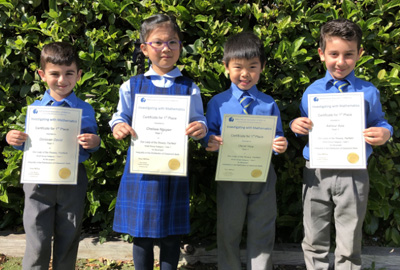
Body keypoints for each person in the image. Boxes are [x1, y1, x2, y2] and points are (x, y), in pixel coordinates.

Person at [290, 19, 393, 269]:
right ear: (321, 54)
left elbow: (380, 121)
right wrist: (296, 125)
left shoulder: (369, 92)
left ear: (359, 54)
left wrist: (385, 133)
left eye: (348, 54)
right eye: (333, 54)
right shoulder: (311, 91)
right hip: (317, 173)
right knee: (314, 236)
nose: (340, 61)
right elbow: (305, 122)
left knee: (349, 239)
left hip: (354, 173)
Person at [109, 14, 207, 270]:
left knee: (171, 235)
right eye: (158, 42)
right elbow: (120, 116)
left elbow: (199, 119)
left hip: (174, 169)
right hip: (141, 170)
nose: (166, 48)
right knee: (141, 234)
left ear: (180, 47)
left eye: (173, 42)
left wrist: (200, 128)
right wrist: (118, 126)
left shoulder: (189, 87)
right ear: (144, 48)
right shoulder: (132, 85)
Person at [6, 42, 100, 270]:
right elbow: (30, 146)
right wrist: (14, 140)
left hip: (73, 180)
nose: (62, 80)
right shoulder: (36, 110)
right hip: (38, 181)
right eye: (54, 74)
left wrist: (94, 142)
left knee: (69, 236)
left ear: (79, 74)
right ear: (42, 74)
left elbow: (93, 143)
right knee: (37, 238)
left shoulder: (86, 109)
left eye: (69, 73)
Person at [203, 32, 288, 270]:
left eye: (253, 66)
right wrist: (210, 141)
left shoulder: (268, 103)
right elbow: (208, 133)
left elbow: (278, 135)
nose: (245, 74)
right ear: (226, 67)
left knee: (262, 228)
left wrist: (280, 144)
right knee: (228, 229)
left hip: (262, 174)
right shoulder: (217, 103)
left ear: (261, 68)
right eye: (238, 67)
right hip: (230, 176)